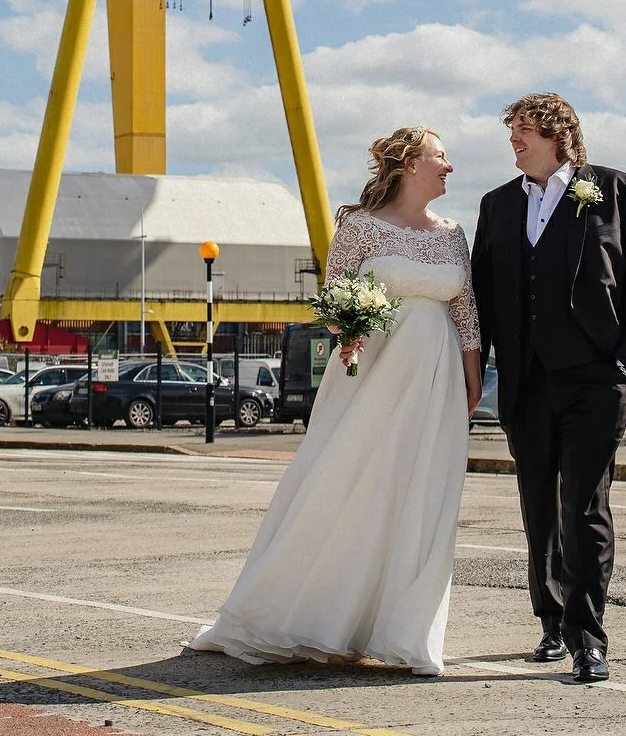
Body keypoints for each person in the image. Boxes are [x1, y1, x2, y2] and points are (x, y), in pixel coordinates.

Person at [190, 126, 483, 678]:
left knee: (422, 492)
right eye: (440, 157)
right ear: (407, 164)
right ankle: (311, 612)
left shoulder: (452, 234)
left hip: (437, 381)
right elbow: (336, 300)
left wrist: (472, 375)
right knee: (352, 482)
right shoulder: (359, 228)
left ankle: (402, 629)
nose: (450, 167)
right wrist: (354, 328)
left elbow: (465, 311)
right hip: (373, 376)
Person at [469, 93, 626, 685]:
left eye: (524, 130)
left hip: (597, 380)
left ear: (559, 134)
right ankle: (550, 620)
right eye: (513, 132)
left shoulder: (617, 190)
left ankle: (588, 636)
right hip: (525, 381)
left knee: (584, 502)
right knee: (538, 507)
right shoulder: (497, 205)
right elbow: (479, 296)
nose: (514, 141)